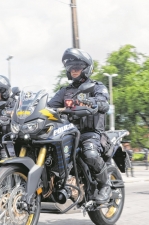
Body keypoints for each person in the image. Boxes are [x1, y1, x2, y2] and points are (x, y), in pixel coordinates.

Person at [47, 48, 113, 204]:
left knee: (90, 153)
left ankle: (106, 185)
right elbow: (48, 107)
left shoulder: (97, 87)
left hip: (90, 133)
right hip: (67, 133)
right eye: (71, 67)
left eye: (77, 66)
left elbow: (104, 103)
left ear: (86, 68)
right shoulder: (64, 91)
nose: (74, 70)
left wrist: (95, 102)